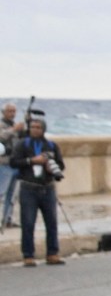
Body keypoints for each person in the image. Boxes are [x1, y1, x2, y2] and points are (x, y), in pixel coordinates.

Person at [10, 111, 65, 265]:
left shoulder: (51, 145)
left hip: (47, 188)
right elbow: (14, 162)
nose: (35, 130)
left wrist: (50, 168)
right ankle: (28, 255)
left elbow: (61, 165)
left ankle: (52, 253)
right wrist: (31, 161)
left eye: (38, 127)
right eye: (33, 127)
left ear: (43, 129)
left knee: (51, 222)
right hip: (29, 188)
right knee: (28, 222)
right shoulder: (22, 144)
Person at [1, 100, 19, 230]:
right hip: (3, 165)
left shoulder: (15, 125)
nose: (12, 114)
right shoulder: (2, 125)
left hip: (15, 164)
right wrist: (14, 129)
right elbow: (2, 137)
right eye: (9, 111)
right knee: (1, 193)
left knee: (12, 195)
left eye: (13, 111)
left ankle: (7, 219)